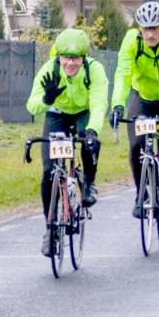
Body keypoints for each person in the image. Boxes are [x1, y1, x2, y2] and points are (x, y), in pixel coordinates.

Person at [26, 28, 108, 256]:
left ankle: (89, 184)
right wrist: (46, 99)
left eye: (76, 58)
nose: (71, 63)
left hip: (83, 111)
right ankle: (50, 229)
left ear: (83, 57)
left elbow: (99, 103)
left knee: (89, 142)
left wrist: (92, 131)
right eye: (66, 58)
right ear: (58, 56)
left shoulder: (95, 70)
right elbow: (31, 105)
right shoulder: (49, 70)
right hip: (57, 113)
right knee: (48, 171)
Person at [109, 1, 159, 216]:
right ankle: (140, 194)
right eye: (146, 29)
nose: (150, 34)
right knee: (136, 144)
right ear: (140, 29)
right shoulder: (132, 40)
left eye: (154, 28)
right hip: (142, 95)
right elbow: (123, 73)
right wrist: (117, 105)